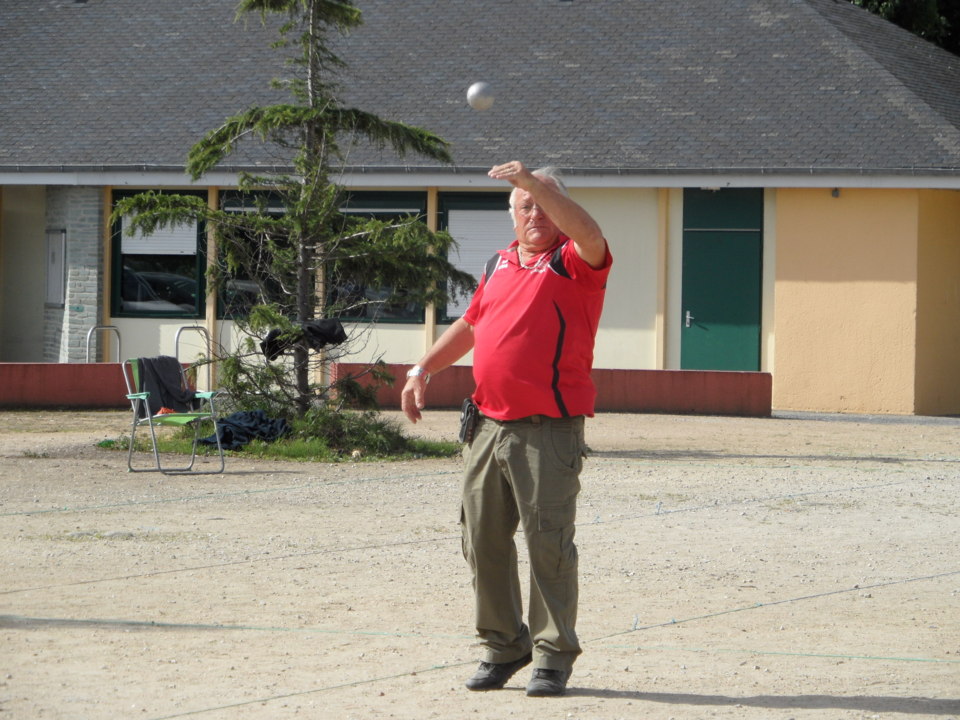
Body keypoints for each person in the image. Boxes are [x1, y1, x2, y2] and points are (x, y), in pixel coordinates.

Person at [401, 160, 612, 697]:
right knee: (481, 538)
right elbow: (472, 324)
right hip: (487, 424)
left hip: (547, 429)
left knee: (548, 544)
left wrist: (532, 181)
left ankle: (552, 653)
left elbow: (590, 232)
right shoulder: (498, 264)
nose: (534, 211)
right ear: (511, 215)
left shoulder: (573, 261)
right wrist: (423, 368)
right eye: (524, 204)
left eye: (543, 201)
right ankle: (504, 645)